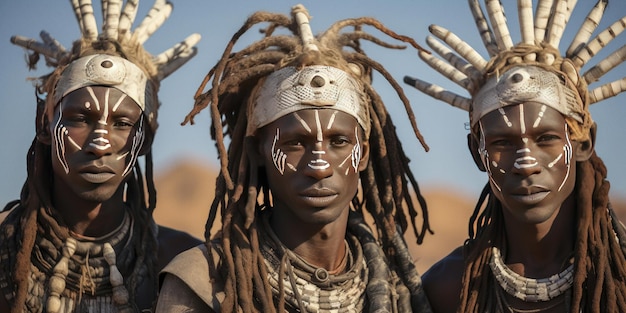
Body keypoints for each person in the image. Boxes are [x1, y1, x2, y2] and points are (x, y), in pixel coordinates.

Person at [155, 4, 434, 312]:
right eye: (295, 143)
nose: (319, 166)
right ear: (258, 151)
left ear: (364, 154)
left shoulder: (400, 289)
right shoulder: (201, 283)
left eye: (339, 142)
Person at [404, 0, 626, 312]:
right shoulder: (445, 289)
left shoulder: (619, 278)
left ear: (583, 143)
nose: (526, 163)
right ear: (476, 152)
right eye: (503, 143)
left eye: (546, 139)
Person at [0, 1, 202, 312]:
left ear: (145, 138)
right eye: (80, 119)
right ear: (44, 123)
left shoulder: (183, 265)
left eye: (122, 124)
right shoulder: (5, 247)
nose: (100, 143)